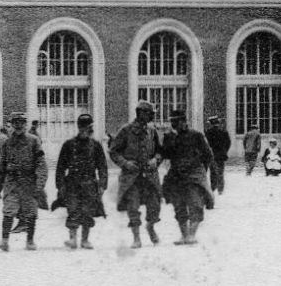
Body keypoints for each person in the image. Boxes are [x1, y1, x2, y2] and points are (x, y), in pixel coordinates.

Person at [109, 100, 165, 248]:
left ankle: (151, 227)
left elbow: (160, 151)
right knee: (132, 207)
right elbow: (113, 151)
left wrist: (155, 160)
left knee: (154, 205)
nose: (152, 117)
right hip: (132, 177)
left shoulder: (152, 131)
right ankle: (136, 238)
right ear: (140, 113)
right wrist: (125, 163)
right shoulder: (126, 130)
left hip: (150, 176)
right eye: (149, 113)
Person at [160, 109, 215, 245]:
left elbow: (208, 155)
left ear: (184, 122)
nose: (174, 125)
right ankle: (184, 235)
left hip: (193, 176)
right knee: (179, 206)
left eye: (176, 122)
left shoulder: (196, 136)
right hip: (176, 176)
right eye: (172, 122)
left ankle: (191, 235)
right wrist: (166, 142)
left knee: (195, 205)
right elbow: (166, 154)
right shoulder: (171, 137)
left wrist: (201, 172)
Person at [53, 113, 108, 249]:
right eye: (83, 127)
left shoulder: (95, 145)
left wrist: (102, 185)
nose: (86, 130)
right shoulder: (69, 145)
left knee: (87, 212)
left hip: (89, 183)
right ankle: (72, 239)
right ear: (79, 127)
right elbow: (60, 167)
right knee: (73, 210)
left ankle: (85, 240)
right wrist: (60, 185)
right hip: (72, 183)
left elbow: (102, 166)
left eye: (89, 127)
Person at [0, 111, 47, 251]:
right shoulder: (7, 143)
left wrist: (40, 183)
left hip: (29, 181)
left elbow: (41, 164)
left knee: (31, 212)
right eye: (15, 122)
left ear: (25, 124)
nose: (18, 125)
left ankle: (30, 241)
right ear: (11, 125)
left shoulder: (34, 140)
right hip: (12, 181)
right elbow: (2, 165)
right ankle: (4, 241)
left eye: (21, 122)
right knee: (8, 210)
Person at [205, 115, 232, 195]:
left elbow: (207, 144)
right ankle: (220, 189)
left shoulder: (208, 133)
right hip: (221, 155)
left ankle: (213, 187)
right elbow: (228, 143)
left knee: (213, 172)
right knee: (220, 172)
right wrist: (224, 151)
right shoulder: (223, 132)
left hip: (212, 155)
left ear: (211, 123)